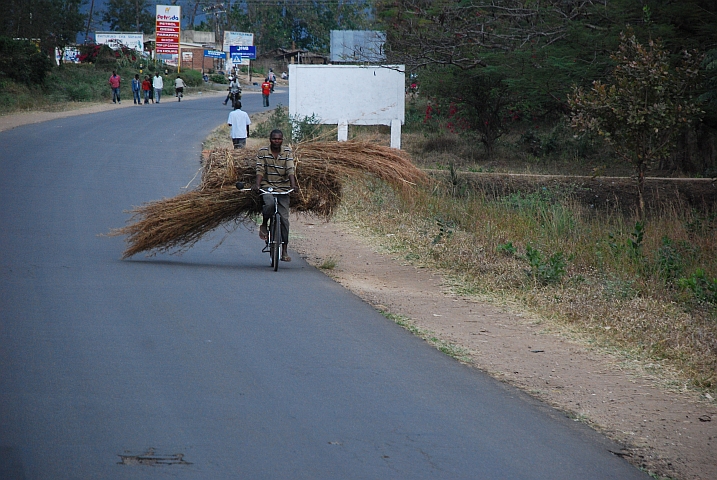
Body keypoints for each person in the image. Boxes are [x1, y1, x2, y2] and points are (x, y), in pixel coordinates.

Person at [254, 129, 297, 262]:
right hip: (268, 186)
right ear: (270, 139)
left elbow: (290, 168)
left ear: (282, 140)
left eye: (279, 139)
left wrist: (293, 185)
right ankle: (265, 224)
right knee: (269, 204)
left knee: (284, 220)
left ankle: (284, 250)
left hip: (283, 188)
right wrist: (257, 184)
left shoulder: (287, 152)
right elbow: (260, 169)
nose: (276, 141)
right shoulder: (263, 152)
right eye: (274, 139)